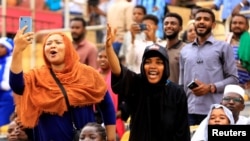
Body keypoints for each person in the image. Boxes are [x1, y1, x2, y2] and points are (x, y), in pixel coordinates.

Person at [9, 26, 116, 141]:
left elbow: (107, 106)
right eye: (48, 43)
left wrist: (110, 138)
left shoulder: (88, 74)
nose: (52, 45)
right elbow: (17, 85)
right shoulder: (36, 76)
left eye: (58, 42)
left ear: (68, 48)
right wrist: (18, 50)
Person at [105, 24, 190, 141]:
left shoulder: (176, 92)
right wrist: (109, 48)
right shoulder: (136, 83)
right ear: (142, 65)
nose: (153, 66)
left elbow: (182, 130)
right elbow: (118, 71)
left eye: (159, 62)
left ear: (165, 66)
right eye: (148, 62)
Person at [179, 8, 239, 126]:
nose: (201, 22)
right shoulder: (185, 50)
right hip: (188, 111)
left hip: (214, 113)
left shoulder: (223, 47)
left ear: (213, 25)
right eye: (198, 19)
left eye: (206, 19)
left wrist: (211, 87)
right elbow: (182, 84)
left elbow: (234, 79)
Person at [97, 47, 126, 140]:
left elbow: (127, 100)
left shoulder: (120, 77)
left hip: (116, 119)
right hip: (97, 119)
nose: (102, 59)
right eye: (100, 56)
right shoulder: (93, 75)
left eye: (106, 57)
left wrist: (118, 113)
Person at [225, 14, 250, 95]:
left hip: (247, 87)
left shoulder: (248, 42)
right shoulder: (225, 42)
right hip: (228, 86)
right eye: (234, 23)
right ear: (230, 25)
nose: (237, 25)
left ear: (247, 26)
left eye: (240, 23)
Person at [163, 12, 186, 84]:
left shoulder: (186, 50)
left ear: (180, 28)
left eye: (173, 23)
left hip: (178, 94)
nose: (169, 26)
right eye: (166, 23)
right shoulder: (161, 49)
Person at [0, 37, 15, 128]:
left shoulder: (11, 62)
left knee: (3, 123)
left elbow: (8, 85)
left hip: (7, 97)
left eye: (2, 47)